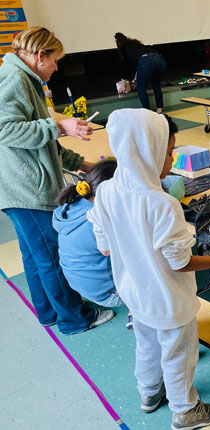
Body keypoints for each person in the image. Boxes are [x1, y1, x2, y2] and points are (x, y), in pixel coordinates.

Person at [87, 109, 210, 430]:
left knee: (147, 345)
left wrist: (135, 246)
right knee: (179, 354)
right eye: (168, 151)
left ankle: (150, 392)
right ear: (146, 151)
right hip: (168, 300)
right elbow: (181, 263)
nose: (172, 159)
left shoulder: (106, 191)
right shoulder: (162, 204)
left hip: (135, 293)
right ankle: (185, 409)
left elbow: (105, 247)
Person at [0, 26, 114, 334]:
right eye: (55, 60)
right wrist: (60, 127)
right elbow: (5, 130)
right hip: (25, 189)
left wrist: (81, 163)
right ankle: (74, 319)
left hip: (19, 186)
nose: (56, 67)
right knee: (51, 256)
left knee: (35, 255)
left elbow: (41, 141)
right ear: (40, 55)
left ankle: (48, 311)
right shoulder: (14, 79)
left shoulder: (24, 78)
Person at [52, 160, 134, 326]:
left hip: (82, 286)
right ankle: (136, 309)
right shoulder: (98, 218)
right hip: (109, 293)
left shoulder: (73, 205)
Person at [114, 32, 166, 113]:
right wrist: (135, 79)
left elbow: (124, 68)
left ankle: (147, 112)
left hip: (146, 60)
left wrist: (123, 85)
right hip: (159, 58)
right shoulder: (136, 44)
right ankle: (159, 110)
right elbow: (139, 66)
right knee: (156, 85)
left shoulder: (124, 49)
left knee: (141, 87)